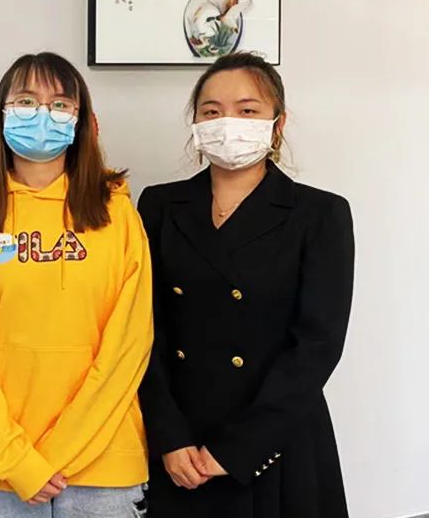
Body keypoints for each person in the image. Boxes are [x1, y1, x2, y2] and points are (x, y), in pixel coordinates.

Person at [137, 52, 354, 518]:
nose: (228, 122)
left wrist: (238, 449)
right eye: (212, 111)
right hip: (181, 447)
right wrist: (168, 436)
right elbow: (141, 330)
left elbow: (317, 345)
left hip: (275, 441)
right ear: (196, 124)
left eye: (247, 110)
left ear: (278, 123)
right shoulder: (159, 206)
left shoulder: (319, 214)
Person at [0, 52, 154, 517]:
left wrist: (55, 453)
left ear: (82, 121)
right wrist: (16, 459)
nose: (42, 113)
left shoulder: (116, 214)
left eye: (60, 104)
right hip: (0, 469)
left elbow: (129, 344)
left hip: (104, 461)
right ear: (1, 115)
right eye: (25, 100)